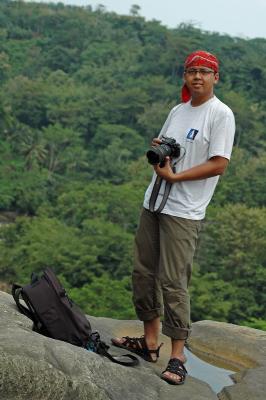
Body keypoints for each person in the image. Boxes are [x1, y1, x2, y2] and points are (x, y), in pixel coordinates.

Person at [112, 50, 235, 385]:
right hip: (154, 203)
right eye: (191, 71)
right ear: (185, 76)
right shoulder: (178, 111)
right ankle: (150, 342)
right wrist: (161, 150)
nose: (197, 77)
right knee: (143, 272)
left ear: (215, 77)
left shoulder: (220, 114)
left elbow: (219, 163)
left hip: (184, 210)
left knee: (173, 280)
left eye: (204, 72)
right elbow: (168, 147)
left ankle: (177, 356)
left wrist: (177, 177)